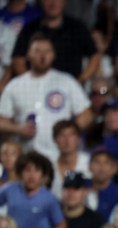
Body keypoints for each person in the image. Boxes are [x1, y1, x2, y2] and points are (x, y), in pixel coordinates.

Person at [0, 33, 93, 162]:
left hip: (58, 156)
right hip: (26, 156)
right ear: (28, 54)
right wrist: (17, 129)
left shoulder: (66, 81)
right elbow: (2, 121)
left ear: (53, 55)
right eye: (37, 51)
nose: (43, 56)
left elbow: (86, 115)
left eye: (47, 51)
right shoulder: (15, 85)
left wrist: (67, 135)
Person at [11, 0, 100, 83]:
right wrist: (32, 83)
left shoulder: (77, 27)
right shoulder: (29, 29)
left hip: (69, 90)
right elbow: (18, 60)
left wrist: (80, 80)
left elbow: (94, 55)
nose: (53, 3)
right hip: (37, 91)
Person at [0, 151, 66, 228]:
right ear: (20, 172)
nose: (32, 176)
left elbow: (61, 226)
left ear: (43, 175)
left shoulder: (49, 198)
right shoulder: (9, 190)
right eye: (27, 170)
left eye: (37, 171)